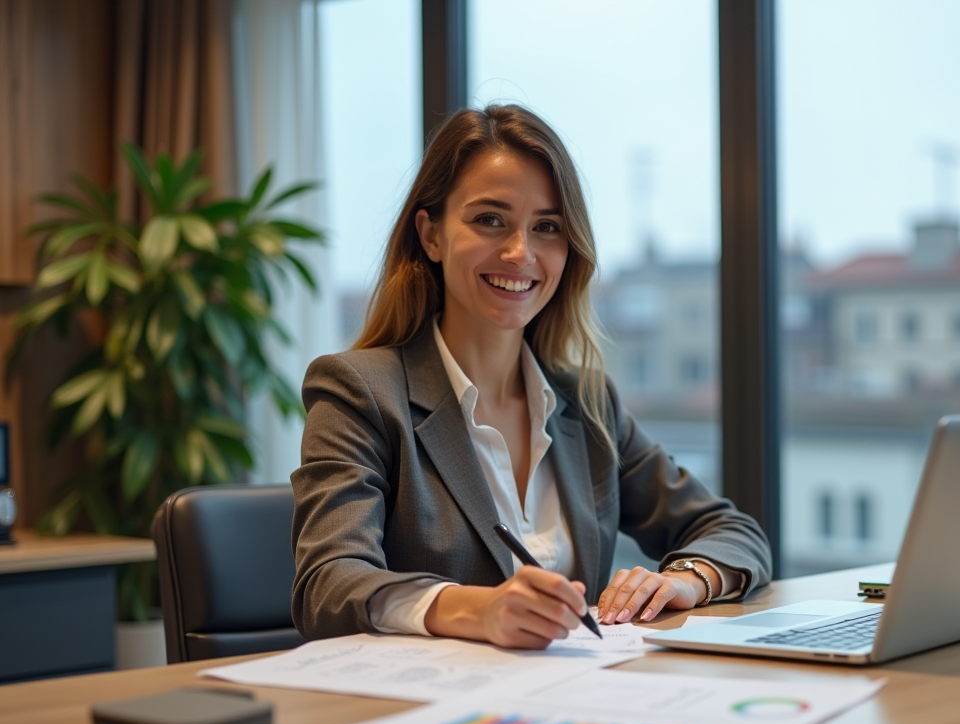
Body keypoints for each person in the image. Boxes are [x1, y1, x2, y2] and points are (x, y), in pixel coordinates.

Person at [291, 104, 771, 649]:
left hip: (573, 707)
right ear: (431, 235)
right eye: (489, 219)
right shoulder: (360, 392)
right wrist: (476, 608)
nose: (521, 253)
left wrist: (685, 581)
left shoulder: (585, 405)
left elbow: (735, 532)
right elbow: (327, 585)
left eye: (547, 227)